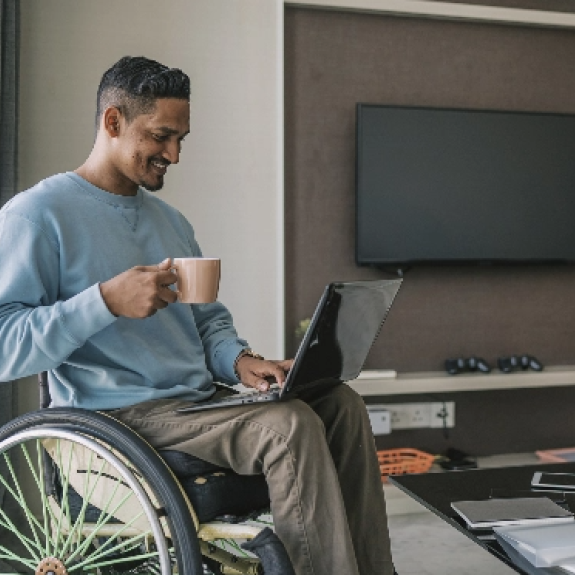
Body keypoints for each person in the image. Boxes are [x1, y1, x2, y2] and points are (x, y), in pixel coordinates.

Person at [0, 56, 396, 575]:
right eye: (162, 136)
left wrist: (239, 362)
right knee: (286, 425)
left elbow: (207, 321)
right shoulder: (37, 215)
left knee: (339, 402)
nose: (175, 155)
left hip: (198, 406)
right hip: (121, 418)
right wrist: (103, 302)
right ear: (113, 121)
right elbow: (7, 346)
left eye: (181, 139)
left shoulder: (171, 222)